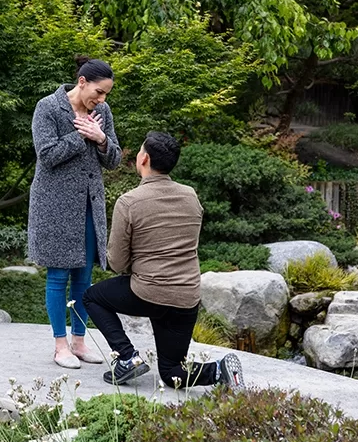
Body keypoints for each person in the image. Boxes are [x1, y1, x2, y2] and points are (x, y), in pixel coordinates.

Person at [84, 131, 244, 388]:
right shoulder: (190, 195)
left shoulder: (129, 202)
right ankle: (219, 371)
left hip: (148, 292)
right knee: (172, 373)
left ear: (144, 159)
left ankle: (127, 357)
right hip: (186, 297)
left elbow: (116, 262)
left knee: (92, 297)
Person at [28, 57, 122, 369]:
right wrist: (81, 136)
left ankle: (80, 342)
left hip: (89, 205)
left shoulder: (102, 113)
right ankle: (60, 346)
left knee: (85, 276)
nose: (102, 99)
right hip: (54, 206)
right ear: (81, 82)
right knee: (58, 275)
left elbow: (114, 159)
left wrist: (102, 139)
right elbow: (47, 155)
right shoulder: (48, 107)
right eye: (99, 91)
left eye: (106, 94)